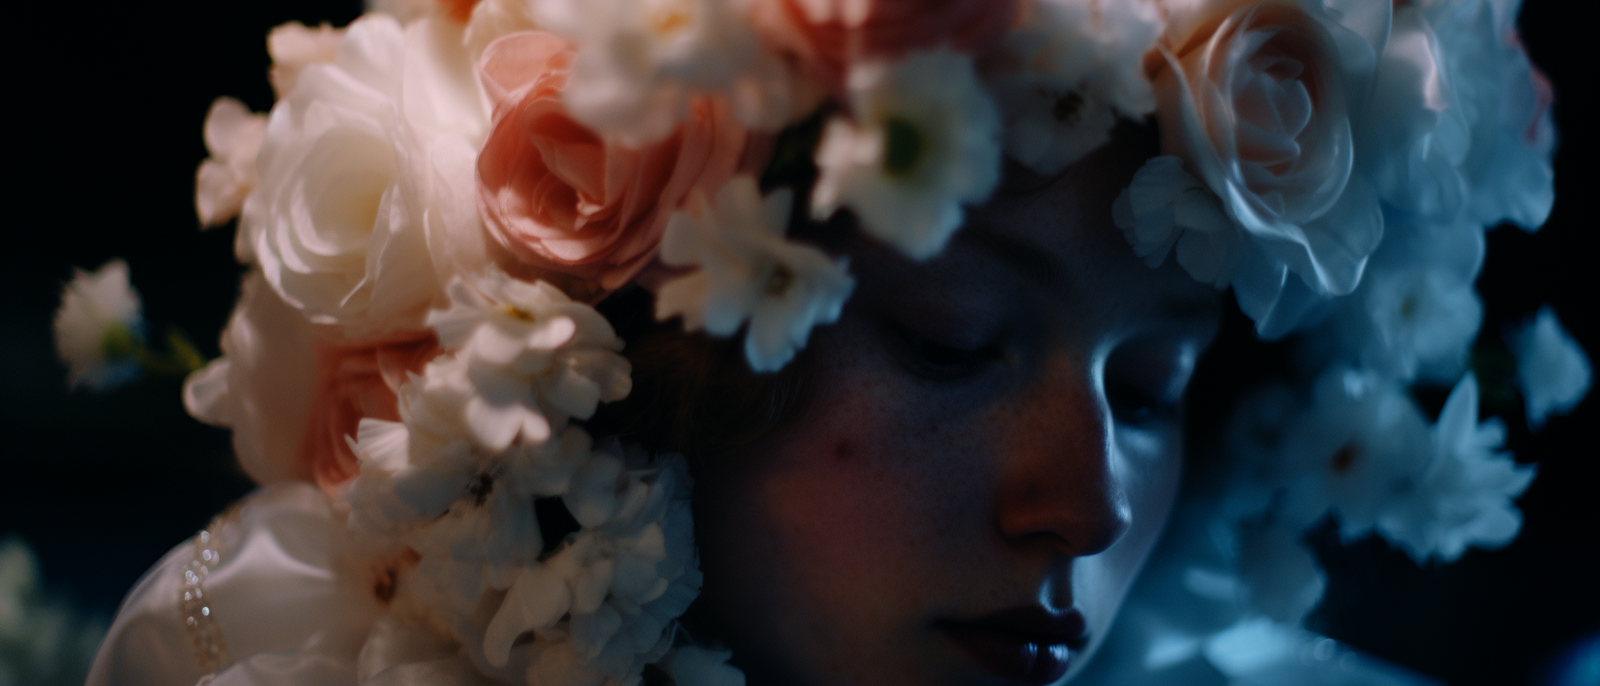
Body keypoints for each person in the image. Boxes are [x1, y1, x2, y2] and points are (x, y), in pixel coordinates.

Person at [75, 0, 1583, 684]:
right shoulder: (277, 658)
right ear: (644, 339)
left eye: (1157, 383)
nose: (1090, 500)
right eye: (951, 340)